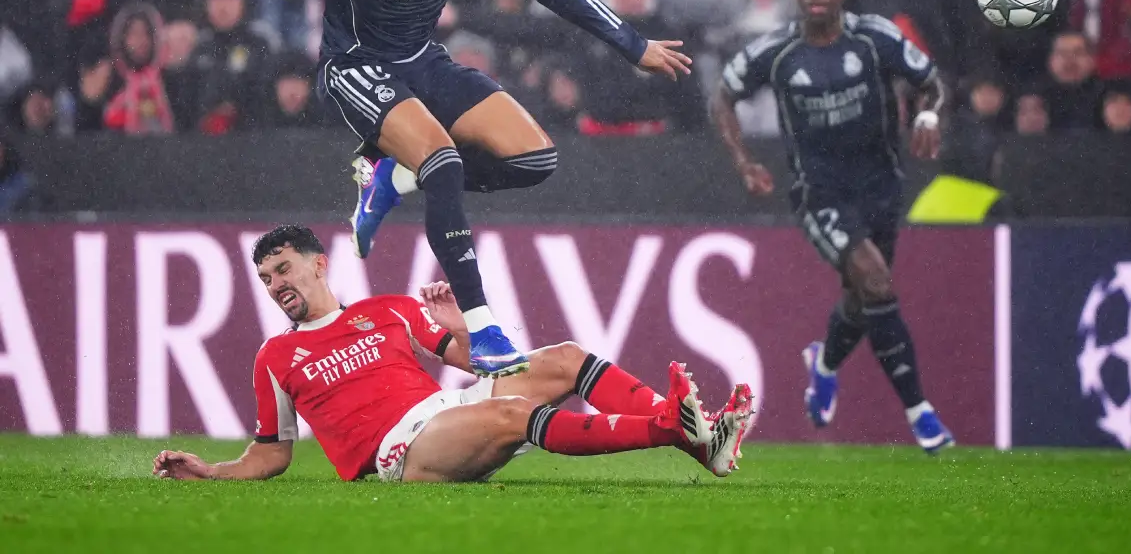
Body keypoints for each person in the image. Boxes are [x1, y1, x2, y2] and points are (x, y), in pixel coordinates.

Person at [222, 0, 691, 377]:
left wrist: (633, 45)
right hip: (356, 66)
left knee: (535, 160)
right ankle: (483, 326)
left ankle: (393, 178)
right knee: (441, 161)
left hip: (424, 61)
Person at [151, 226, 753, 484]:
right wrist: (211, 470)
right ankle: (674, 430)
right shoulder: (275, 356)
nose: (276, 283)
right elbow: (272, 453)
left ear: (317, 263)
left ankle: (700, 440)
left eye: (282, 268)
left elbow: (486, 364)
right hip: (400, 451)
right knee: (510, 414)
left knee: (565, 357)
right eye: (265, 278)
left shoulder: (387, 308)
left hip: (447, 406)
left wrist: (458, 329)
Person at [709, 0, 954, 453]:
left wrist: (929, 115)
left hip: (881, 185)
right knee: (877, 282)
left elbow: (931, 83)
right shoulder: (776, 52)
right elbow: (722, 97)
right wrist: (743, 161)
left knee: (864, 297)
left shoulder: (875, 38)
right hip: (819, 193)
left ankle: (824, 365)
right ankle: (921, 414)